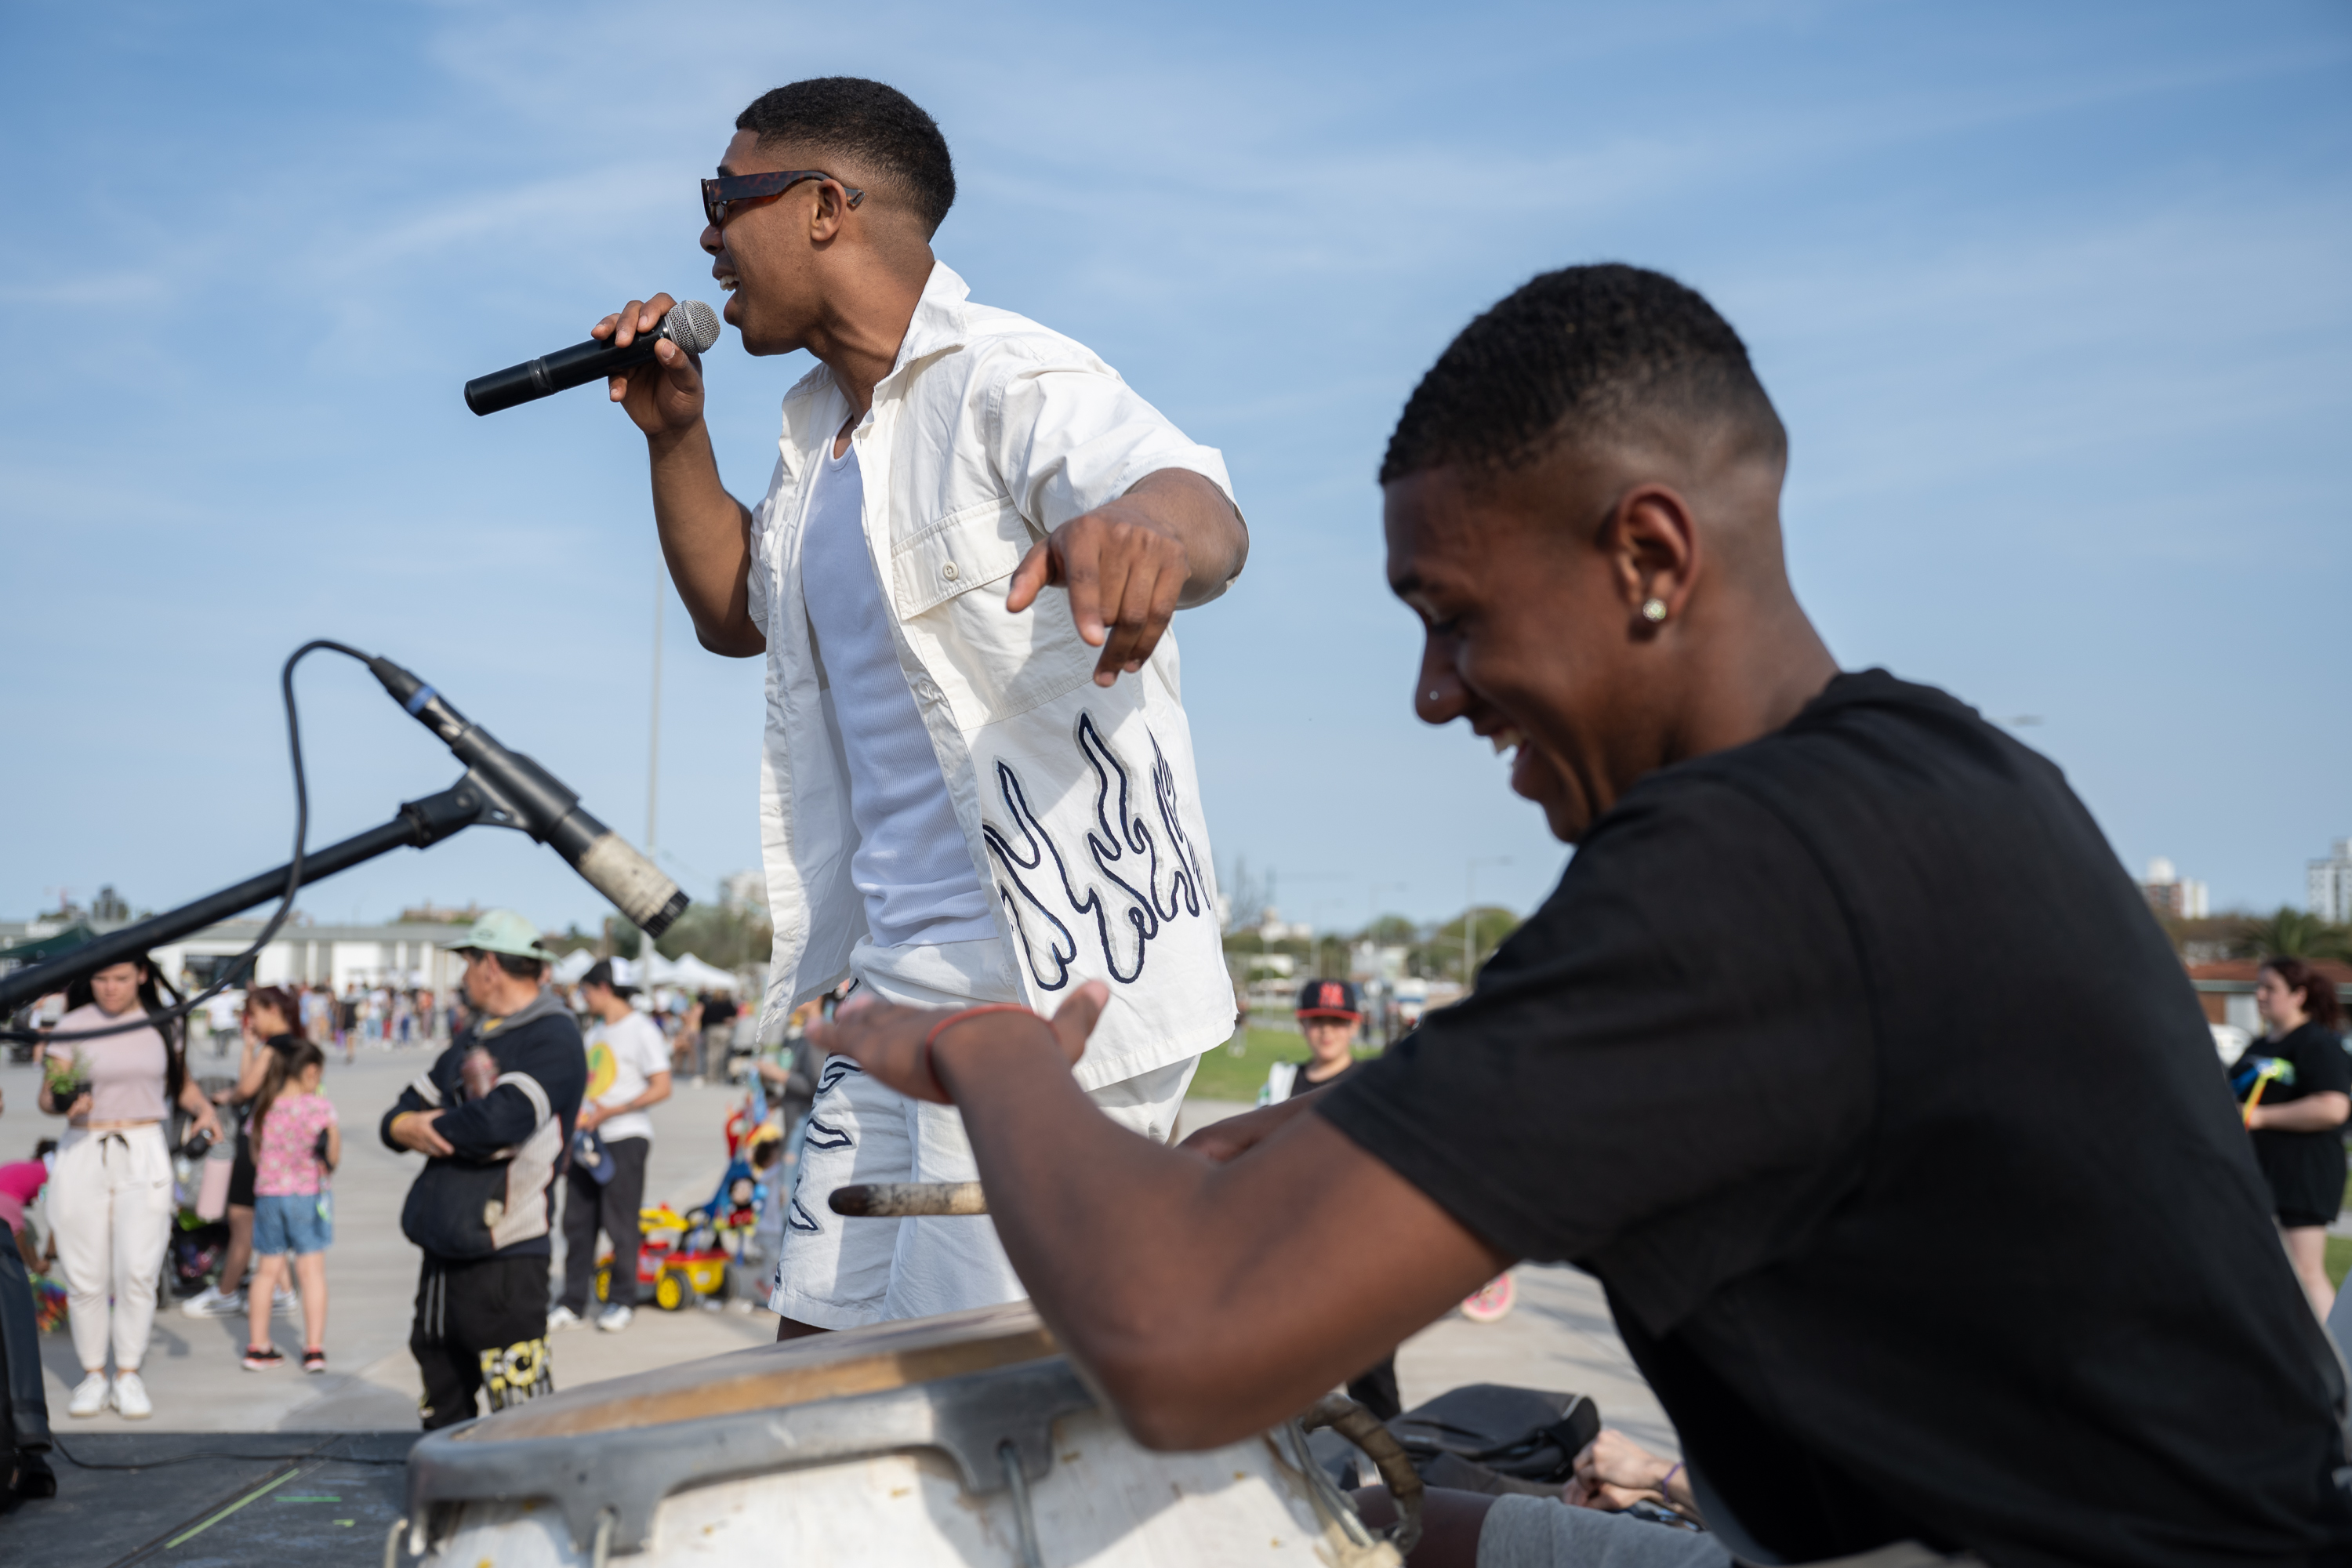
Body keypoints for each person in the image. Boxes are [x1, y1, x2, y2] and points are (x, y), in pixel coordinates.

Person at [812, 264, 2352, 1566]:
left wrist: (991, 1049)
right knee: (1389, 1519)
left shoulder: (1745, 875)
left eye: (1457, 621)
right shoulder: (1930, 767)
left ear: (1651, 557)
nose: (1432, 697)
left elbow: (1180, 1343)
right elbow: (1386, 1123)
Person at [598, 76, 1247, 1337]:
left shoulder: (1007, 377)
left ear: (828, 207)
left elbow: (1192, 500)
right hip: (891, 995)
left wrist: (1147, 538)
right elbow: (739, 615)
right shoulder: (813, 444)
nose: (705, 238)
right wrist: (676, 439)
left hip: (1051, 1000)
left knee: (967, 1412)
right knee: (808, 1361)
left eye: (724, 199)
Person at [379, 911, 585, 1429]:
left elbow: (503, 1119)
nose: (463, 976)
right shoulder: (474, 1037)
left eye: (466, 962)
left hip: (507, 1252)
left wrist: (429, 1128)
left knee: (522, 1412)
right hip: (444, 1245)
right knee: (441, 1394)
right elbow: (398, 1115)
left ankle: (529, 1507)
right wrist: (407, 1126)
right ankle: (452, 1503)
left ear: (489, 964)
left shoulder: (553, 1035)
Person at [38, 956, 223, 1421]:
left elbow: (179, 1084)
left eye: (120, 978)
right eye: (100, 978)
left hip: (143, 1145)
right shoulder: (74, 1023)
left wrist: (205, 1110)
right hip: (84, 1144)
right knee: (85, 1271)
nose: (110, 988)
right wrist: (63, 1100)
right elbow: (48, 1096)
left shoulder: (163, 1023)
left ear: (142, 975)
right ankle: (93, 1373)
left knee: (139, 1267)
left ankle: (127, 1372)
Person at [1258, 977, 1400, 1420]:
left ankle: (1392, 1478)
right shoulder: (1283, 1082)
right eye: (1317, 1020)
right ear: (1303, 1025)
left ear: (1355, 1026)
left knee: (1372, 1382)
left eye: (1337, 1022)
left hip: (1360, 1253)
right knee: (1284, 1376)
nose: (1327, 1031)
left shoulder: (1374, 1083)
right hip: (1292, 1250)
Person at [550, 959, 671, 1334]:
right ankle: (572, 1300)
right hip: (589, 1139)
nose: (582, 998)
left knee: (621, 1223)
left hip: (626, 1136)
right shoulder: (595, 1033)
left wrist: (613, 1111)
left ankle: (622, 1299)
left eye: (586, 990)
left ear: (604, 988)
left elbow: (662, 1085)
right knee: (577, 1221)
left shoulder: (641, 1030)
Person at [2237, 956, 2350, 1318]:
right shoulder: (2260, 1045)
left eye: (2271, 988)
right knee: (2263, 1275)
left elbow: (2333, 1108)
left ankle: (2338, 1365)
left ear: (2299, 995)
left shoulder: (2317, 1044)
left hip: (2304, 1174)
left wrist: (2259, 1116)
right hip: (2260, 1174)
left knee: (2304, 1273)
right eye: (2259, 987)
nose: (2260, 995)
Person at [182, 985, 304, 1320]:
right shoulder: (296, 1046)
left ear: (272, 1010)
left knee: (241, 1221)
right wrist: (249, 1046)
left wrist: (227, 1095)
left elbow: (245, 1089)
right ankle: (284, 1290)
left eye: (254, 1013)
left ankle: (226, 1292)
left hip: (257, 1145)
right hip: (280, 1146)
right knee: (265, 1223)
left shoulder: (274, 1048)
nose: (250, 1020)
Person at [241, 1039, 339, 1372]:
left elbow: (255, 1154)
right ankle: (313, 1350)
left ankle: (258, 1346)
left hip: (269, 1196)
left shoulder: (265, 1106)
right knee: (311, 1272)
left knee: (266, 1272)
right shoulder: (319, 1107)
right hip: (307, 1195)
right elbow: (334, 1156)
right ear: (312, 1071)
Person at [0, 1082, 56, 1502]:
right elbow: (22, 1225)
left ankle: (26, 1435)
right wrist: (39, 1259)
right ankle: (28, 1431)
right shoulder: (47, 1174)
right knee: (12, 1278)